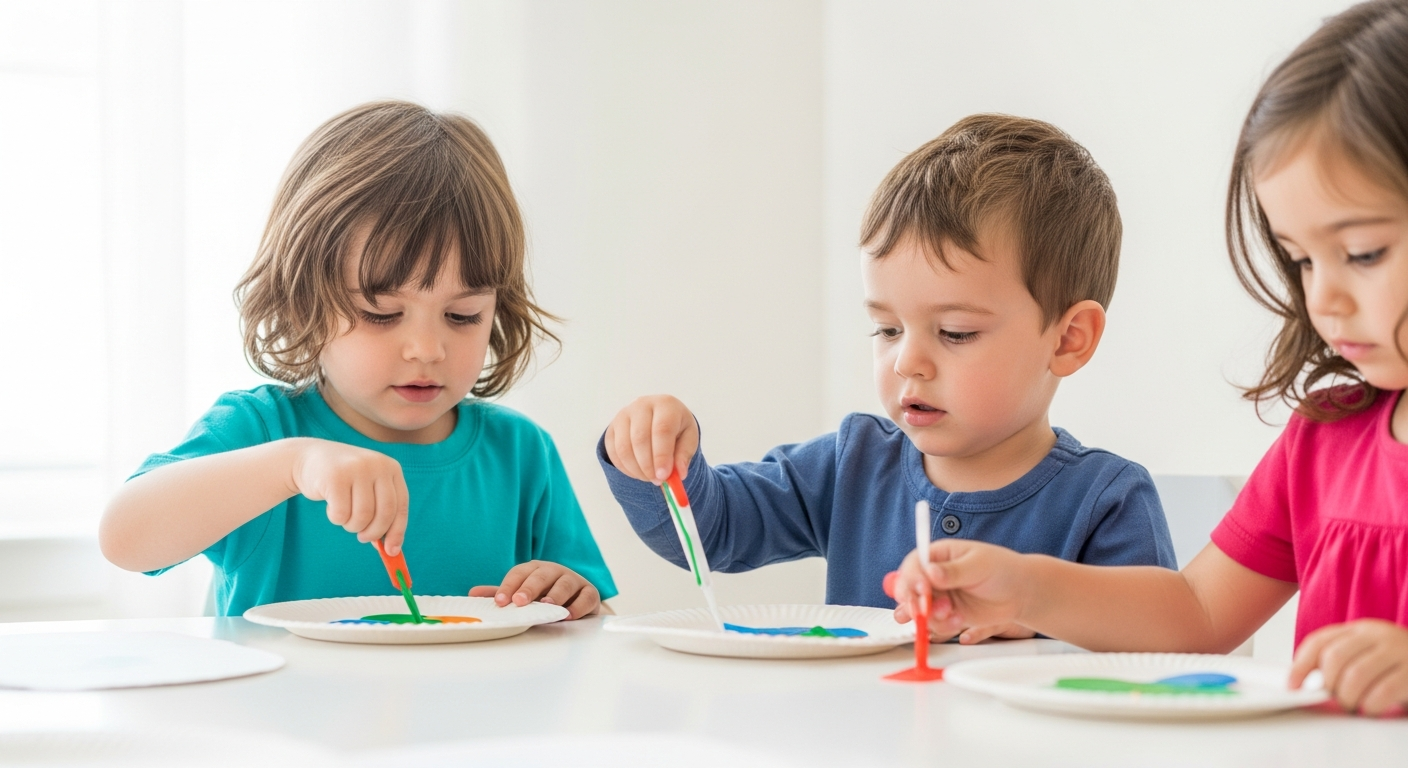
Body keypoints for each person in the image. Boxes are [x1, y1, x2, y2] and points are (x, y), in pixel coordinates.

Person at [892, 0, 1408, 716]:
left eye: (1361, 254)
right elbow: (1196, 615)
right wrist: (1028, 586)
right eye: (1300, 260)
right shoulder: (1324, 439)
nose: (1326, 299)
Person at [600, 114, 1176, 644]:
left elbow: (1158, 647)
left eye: (954, 332)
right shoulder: (850, 466)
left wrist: (1040, 616)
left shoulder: (1107, 501)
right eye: (887, 329)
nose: (907, 362)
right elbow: (712, 531)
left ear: (1068, 338)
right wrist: (657, 458)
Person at [100, 101, 616, 619]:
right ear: (303, 299)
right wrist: (293, 465)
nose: (427, 349)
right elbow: (124, 537)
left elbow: (596, 635)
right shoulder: (264, 432)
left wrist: (572, 600)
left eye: (462, 316)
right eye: (381, 313)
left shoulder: (520, 455)